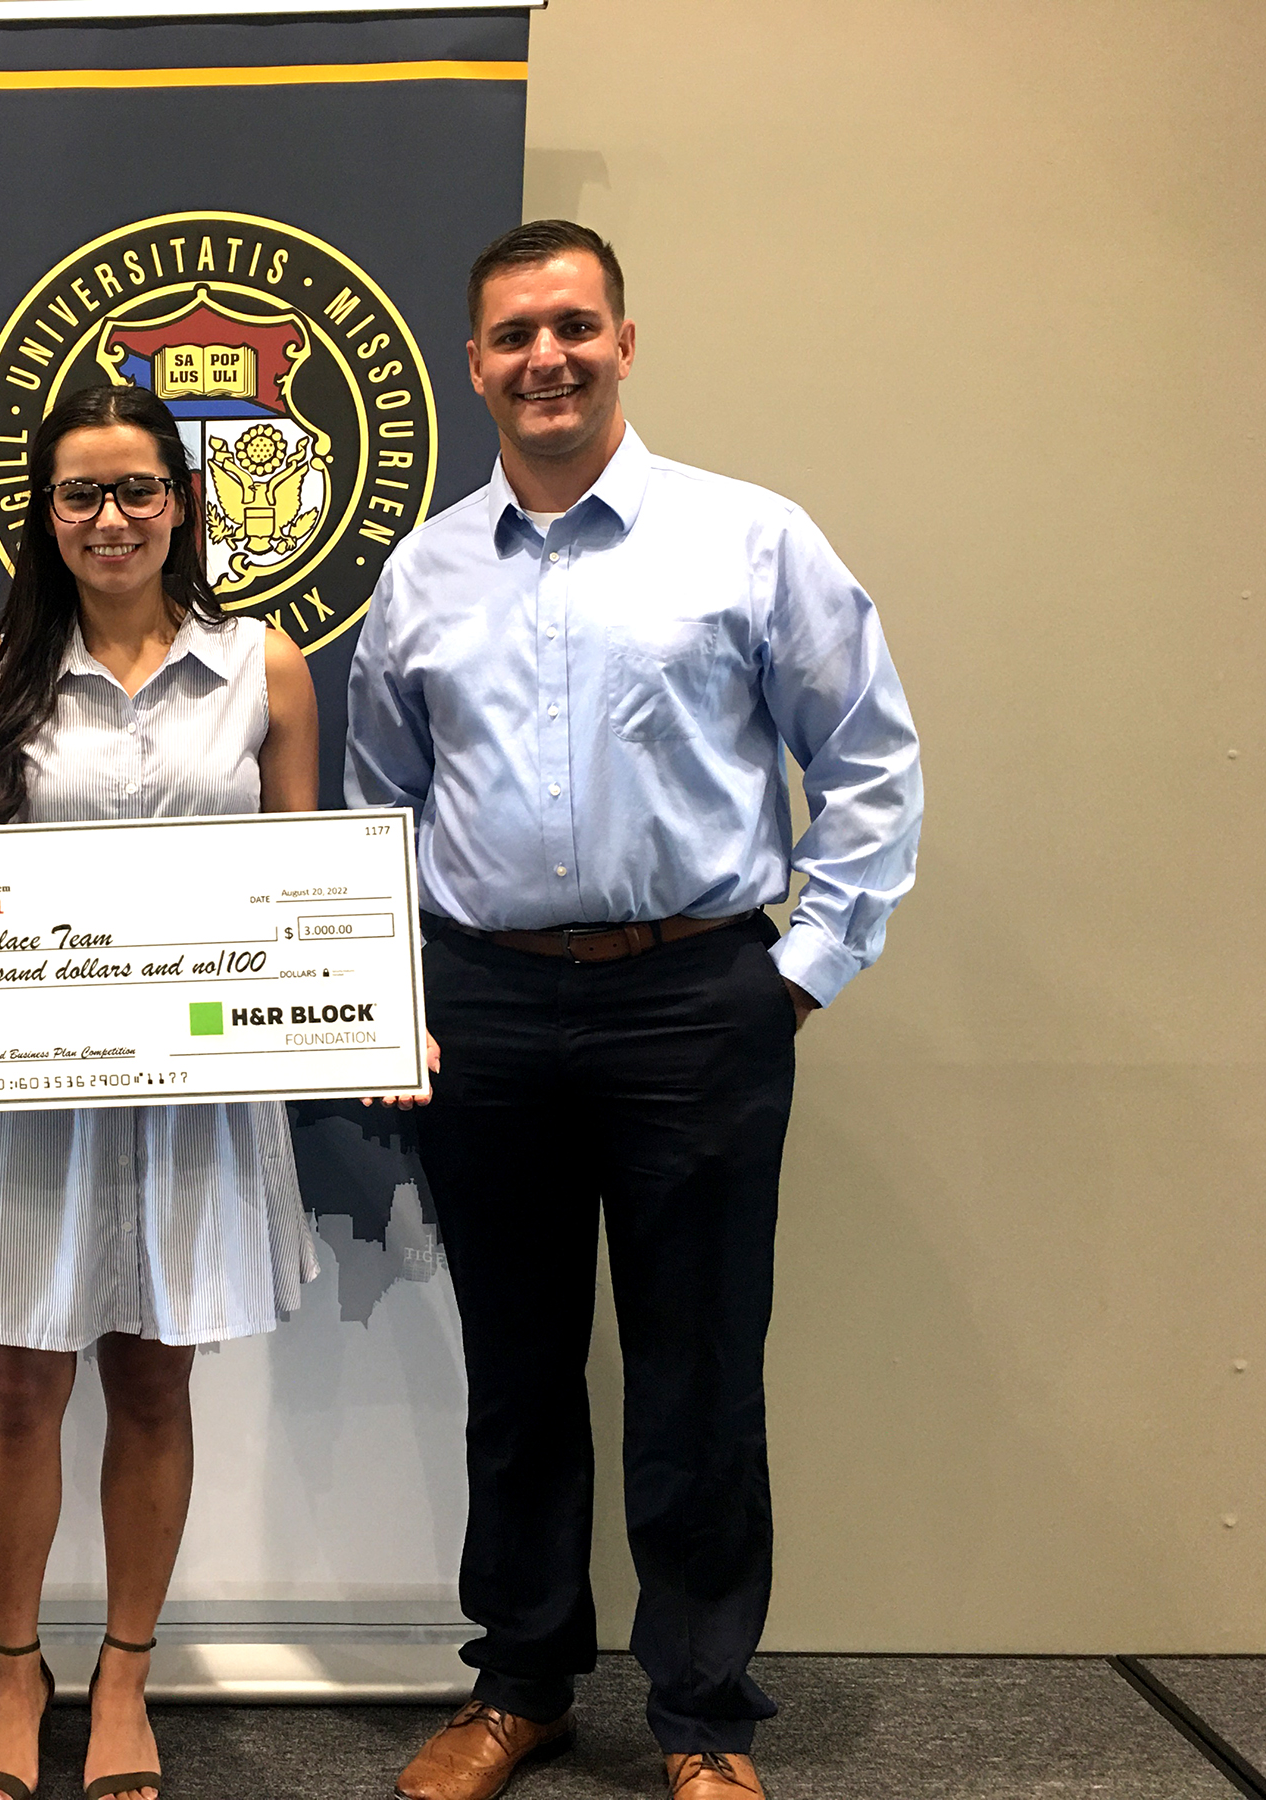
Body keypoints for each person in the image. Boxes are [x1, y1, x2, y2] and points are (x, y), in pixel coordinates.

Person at [348, 222, 924, 1800]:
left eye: (574, 327)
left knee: (696, 1369)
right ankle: (522, 1683)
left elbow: (869, 759)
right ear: (472, 365)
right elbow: (380, 805)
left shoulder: (749, 540)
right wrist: (400, 995)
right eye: (515, 333)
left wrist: (798, 972)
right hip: (489, 1010)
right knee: (517, 1371)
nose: (548, 357)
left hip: (694, 1001)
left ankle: (700, 1718)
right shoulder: (423, 575)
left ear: (621, 340)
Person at [0, 383, 319, 1800]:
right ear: (46, 516)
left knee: (153, 1378)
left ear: (183, 499)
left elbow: (305, 891)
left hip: (197, 1099)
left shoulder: (270, 670)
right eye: (80, 495)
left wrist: (368, 1027)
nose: (112, 518)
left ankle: (125, 1682)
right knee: (14, 1384)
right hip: (29, 1101)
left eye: (137, 489)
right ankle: (17, 1678)